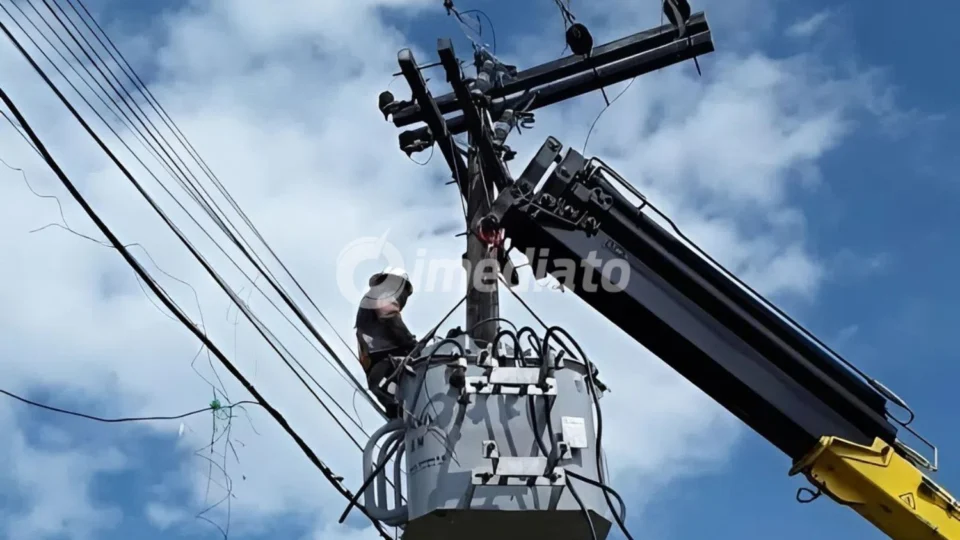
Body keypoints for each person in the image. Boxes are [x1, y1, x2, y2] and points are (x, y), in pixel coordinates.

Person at [355, 267, 419, 419]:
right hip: (387, 366)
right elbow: (391, 318)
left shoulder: (372, 300)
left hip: (380, 373)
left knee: (404, 414)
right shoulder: (382, 295)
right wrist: (414, 345)